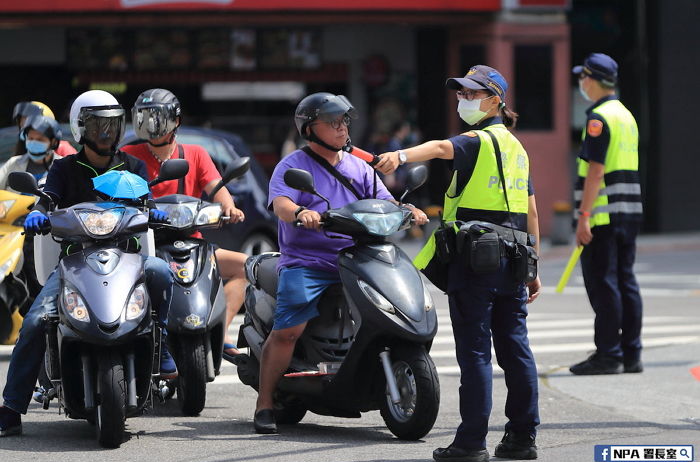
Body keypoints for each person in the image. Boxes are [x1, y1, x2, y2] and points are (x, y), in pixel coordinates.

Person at [376, 65, 541, 462]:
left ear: (495, 100)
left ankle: (470, 443)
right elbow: (532, 210)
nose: (464, 100)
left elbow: (436, 148)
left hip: (477, 262)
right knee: (516, 350)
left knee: (476, 354)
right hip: (515, 259)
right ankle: (522, 438)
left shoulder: (477, 139)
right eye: (461, 94)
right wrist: (533, 268)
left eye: (472, 94)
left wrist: (399, 155)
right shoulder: (517, 148)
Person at [0, 90, 176, 438]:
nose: (106, 133)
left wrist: (155, 211)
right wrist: (37, 215)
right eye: (98, 126)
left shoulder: (133, 166)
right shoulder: (64, 169)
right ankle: (11, 406)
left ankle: (163, 343)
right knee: (35, 321)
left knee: (162, 272)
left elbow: (148, 201)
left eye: (112, 125)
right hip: (75, 264)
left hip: (130, 259)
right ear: (81, 129)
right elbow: (46, 200)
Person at [254, 92, 428, 434]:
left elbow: (385, 201)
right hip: (308, 260)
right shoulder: (292, 166)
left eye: (344, 121)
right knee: (289, 331)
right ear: (309, 129)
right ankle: (264, 403)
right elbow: (281, 204)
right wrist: (302, 213)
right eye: (332, 122)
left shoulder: (359, 167)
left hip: (360, 257)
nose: (341, 128)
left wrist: (407, 210)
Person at [121, 88, 248, 360]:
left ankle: (219, 330)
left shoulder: (196, 153)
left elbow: (217, 188)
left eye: (157, 117)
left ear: (175, 120)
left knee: (245, 267)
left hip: (192, 242)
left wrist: (229, 206)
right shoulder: (127, 154)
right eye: (144, 116)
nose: (150, 124)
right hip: (145, 243)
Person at [568, 53, 643, 376]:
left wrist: (584, 216)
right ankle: (631, 353)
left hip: (603, 215)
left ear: (591, 79)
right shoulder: (626, 115)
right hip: (630, 211)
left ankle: (608, 354)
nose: (580, 84)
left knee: (604, 284)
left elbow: (595, 171)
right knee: (626, 280)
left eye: (582, 78)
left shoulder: (598, 118)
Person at [0, 114, 64, 299]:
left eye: (40, 139)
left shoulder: (62, 166)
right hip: (14, 232)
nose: (34, 143)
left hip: (50, 235)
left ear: (52, 142)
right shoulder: (14, 164)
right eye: (31, 138)